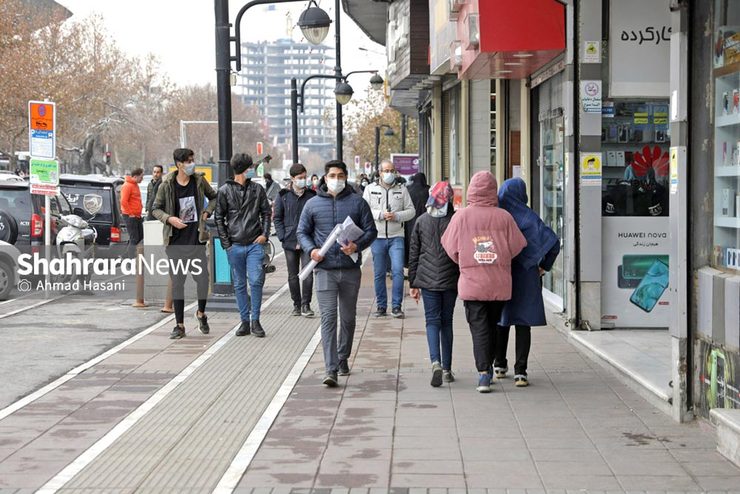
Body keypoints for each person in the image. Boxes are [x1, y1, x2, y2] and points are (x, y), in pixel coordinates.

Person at [441, 171, 527, 393]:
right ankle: (487, 367)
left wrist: (464, 260)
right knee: (492, 325)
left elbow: (449, 245)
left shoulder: (460, 216)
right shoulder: (505, 217)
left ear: (471, 190)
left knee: (478, 329)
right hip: (499, 283)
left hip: (472, 282)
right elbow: (518, 245)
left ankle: (483, 374)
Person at [297, 160, 377, 387]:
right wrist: (311, 249)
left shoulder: (358, 203)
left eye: (341, 175)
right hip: (324, 271)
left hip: (350, 269)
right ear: (325, 178)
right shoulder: (312, 204)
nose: (337, 179)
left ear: (346, 177)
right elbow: (302, 231)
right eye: (333, 175)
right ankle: (330, 368)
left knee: (349, 318)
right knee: (329, 317)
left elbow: (371, 230)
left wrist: (356, 246)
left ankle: (343, 357)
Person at [495, 178, 560, 387]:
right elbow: (553, 242)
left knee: (501, 320)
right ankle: (520, 372)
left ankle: (499, 364)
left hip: (502, 274)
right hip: (527, 276)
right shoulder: (530, 217)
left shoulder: (499, 217)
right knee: (523, 323)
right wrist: (544, 266)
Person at [152, 148, 218, 339]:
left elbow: (214, 197)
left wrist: (207, 212)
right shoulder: (167, 185)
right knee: (178, 283)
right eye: (188, 161)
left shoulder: (198, 180)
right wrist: (169, 219)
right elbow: (155, 208)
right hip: (175, 242)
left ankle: (201, 313)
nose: (192, 163)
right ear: (179, 164)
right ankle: (179, 325)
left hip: (196, 239)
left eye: (192, 160)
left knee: (202, 280)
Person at [408, 181, 459, 387]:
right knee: (447, 322)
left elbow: (414, 253)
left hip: (427, 279)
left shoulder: (421, 221)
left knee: (432, 321)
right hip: (450, 279)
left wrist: (413, 282)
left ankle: (435, 362)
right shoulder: (455, 220)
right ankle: (447, 369)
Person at [215, 153, 271, 338]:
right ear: (244, 169)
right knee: (239, 284)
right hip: (235, 245)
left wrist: (264, 234)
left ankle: (256, 320)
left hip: (255, 243)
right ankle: (244, 321)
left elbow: (266, 212)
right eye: (250, 167)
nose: (252, 170)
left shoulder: (257, 189)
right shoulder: (224, 191)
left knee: (256, 281)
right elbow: (219, 218)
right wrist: (227, 244)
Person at [362, 159, 415, 318]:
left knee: (398, 271)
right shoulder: (370, 189)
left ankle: (397, 306)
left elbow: (411, 211)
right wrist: (379, 215)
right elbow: (364, 210)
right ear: (380, 172)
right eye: (386, 170)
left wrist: (397, 216)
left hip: (396, 237)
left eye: (392, 171)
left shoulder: (402, 190)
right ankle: (381, 306)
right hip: (377, 237)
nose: (389, 174)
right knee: (379, 273)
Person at [274, 163, 316, 318]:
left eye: (305, 177)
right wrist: (282, 236)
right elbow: (277, 217)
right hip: (290, 241)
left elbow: (316, 217)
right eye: (300, 178)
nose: (303, 180)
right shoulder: (283, 195)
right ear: (292, 178)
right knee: (293, 275)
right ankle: (296, 304)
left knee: (307, 273)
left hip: (308, 241)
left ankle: (306, 304)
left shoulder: (312, 195)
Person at [404, 172, 430, 266]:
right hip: (425, 221)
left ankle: (410, 263)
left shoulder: (408, 190)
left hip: (410, 221)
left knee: (411, 242)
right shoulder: (428, 190)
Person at [120, 167, 144, 258]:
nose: (142, 178)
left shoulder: (135, 185)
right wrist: (131, 214)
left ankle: (125, 256)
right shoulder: (127, 185)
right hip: (130, 216)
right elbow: (123, 201)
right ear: (135, 176)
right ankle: (130, 259)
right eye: (141, 177)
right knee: (134, 239)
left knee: (139, 237)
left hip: (136, 215)